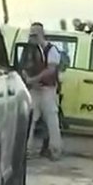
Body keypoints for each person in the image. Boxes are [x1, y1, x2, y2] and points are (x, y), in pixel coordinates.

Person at [23, 22, 64, 160]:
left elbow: (51, 70)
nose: (32, 37)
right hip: (35, 90)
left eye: (35, 34)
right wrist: (28, 78)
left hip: (47, 90)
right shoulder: (29, 50)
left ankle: (55, 150)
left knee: (52, 121)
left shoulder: (51, 50)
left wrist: (34, 79)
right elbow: (23, 65)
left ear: (41, 34)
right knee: (30, 120)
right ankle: (25, 149)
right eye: (31, 34)